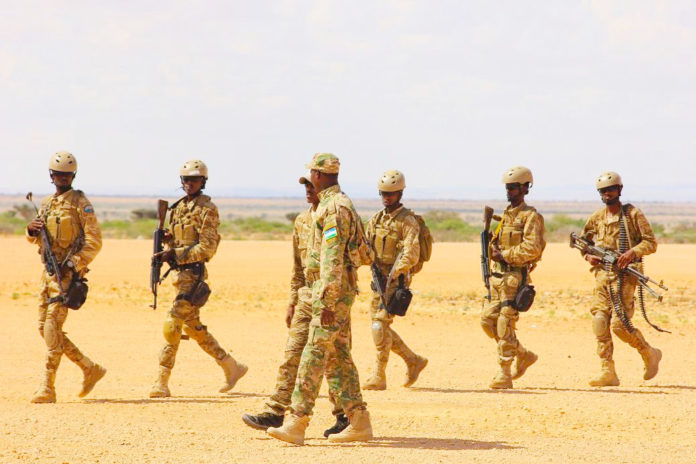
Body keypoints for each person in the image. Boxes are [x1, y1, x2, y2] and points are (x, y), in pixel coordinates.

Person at [267, 153, 373, 445]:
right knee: (339, 358)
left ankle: (297, 422)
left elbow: (332, 258)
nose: (309, 180)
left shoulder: (335, 208)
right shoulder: (330, 205)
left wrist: (326, 302)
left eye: (311, 174)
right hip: (327, 292)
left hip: (332, 294)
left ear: (318, 174)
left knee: (314, 354)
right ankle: (359, 420)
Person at [242, 171, 347, 437]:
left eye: (312, 185)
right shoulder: (301, 222)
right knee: (292, 353)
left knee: (333, 357)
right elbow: (297, 267)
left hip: (329, 297)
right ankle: (275, 411)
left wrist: (330, 299)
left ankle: (344, 414)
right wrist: (292, 299)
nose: (308, 190)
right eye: (306, 186)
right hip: (305, 295)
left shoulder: (333, 215)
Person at [149, 159, 247, 398]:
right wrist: (168, 241)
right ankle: (230, 365)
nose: (189, 184)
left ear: (203, 181)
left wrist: (176, 254)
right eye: (185, 180)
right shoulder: (179, 208)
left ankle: (161, 382)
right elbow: (180, 240)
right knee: (193, 328)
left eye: (194, 180)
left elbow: (207, 248)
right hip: (179, 276)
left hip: (193, 276)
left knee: (172, 324)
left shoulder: (207, 209)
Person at [26, 151, 106, 403]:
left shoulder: (81, 203)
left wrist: (73, 263)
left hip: (67, 277)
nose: (62, 178)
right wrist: (30, 231)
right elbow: (40, 239)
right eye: (58, 174)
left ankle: (47, 388)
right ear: (52, 176)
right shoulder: (47, 203)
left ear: (73, 175)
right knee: (44, 328)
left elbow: (94, 241)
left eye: (67, 174)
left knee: (51, 328)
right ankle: (89, 367)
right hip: (47, 274)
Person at [581, 171, 661, 387]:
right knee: (599, 321)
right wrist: (589, 256)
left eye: (611, 189)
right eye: (603, 191)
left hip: (624, 278)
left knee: (619, 326)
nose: (607, 194)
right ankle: (607, 370)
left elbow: (650, 242)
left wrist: (631, 253)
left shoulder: (632, 214)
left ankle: (648, 352)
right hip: (602, 277)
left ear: (619, 190)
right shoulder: (597, 217)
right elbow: (584, 242)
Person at [480, 166, 545, 389]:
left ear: (525, 188)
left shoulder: (530, 216)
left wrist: (504, 255)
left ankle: (504, 373)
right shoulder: (506, 215)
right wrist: (491, 246)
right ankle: (523, 354)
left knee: (504, 323)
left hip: (516, 278)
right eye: (507, 187)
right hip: (498, 278)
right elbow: (496, 247)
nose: (509, 191)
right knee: (487, 321)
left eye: (514, 188)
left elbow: (532, 249)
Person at [362, 170, 428, 390]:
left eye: (391, 193)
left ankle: (378, 375)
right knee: (379, 327)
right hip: (377, 280)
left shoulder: (407, 221)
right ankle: (412, 359)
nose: (387, 197)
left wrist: (394, 274)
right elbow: (366, 247)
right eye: (383, 193)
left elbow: (412, 253)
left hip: (395, 282)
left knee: (379, 325)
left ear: (400, 193)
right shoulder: (376, 220)